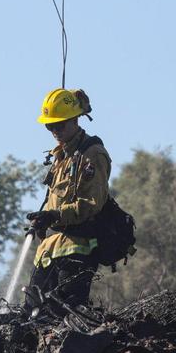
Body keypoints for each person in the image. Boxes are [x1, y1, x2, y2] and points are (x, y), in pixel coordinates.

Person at [25, 88, 110, 312]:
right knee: (30, 314)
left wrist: (55, 215)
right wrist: (44, 219)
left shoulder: (93, 154)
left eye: (59, 124)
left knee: (63, 314)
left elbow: (92, 203)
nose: (54, 130)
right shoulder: (61, 156)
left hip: (78, 251)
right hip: (49, 250)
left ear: (75, 120)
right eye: (49, 125)